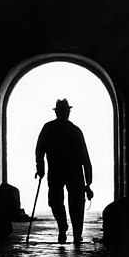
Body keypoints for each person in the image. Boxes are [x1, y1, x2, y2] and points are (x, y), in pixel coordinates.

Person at [35, 99, 93, 244]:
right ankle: (67, 229)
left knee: (68, 203)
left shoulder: (50, 128)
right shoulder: (74, 130)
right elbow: (85, 157)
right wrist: (88, 182)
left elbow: (39, 151)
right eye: (63, 111)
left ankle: (70, 231)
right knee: (67, 203)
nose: (64, 113)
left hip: (60, 171)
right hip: (70, 172)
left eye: (64, 111)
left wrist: (40, 169)